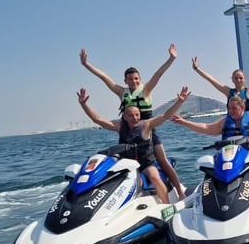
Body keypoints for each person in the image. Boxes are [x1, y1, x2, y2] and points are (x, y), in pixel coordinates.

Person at [79, 44, 185, 199]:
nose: (133, 81)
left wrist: (171, 59)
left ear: (140, 79)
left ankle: (180, 192)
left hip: (148, 129)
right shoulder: (122, 92)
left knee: (162, 160)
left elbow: (158, 74)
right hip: (128, 130)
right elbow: (104, 77)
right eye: (130, 79)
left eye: (136, 78)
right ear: (125, 80)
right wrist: (86, 64)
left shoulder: (146, 89)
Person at [77, 86, 191, 204]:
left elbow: (165, 116)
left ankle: (166, 205)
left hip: (146, 164)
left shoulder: (147, 125)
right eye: (131, 115)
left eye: (137, 114)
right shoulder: (120, 127)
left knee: (154, 178)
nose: (134, 118)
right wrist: (84, 104)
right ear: (125, 117)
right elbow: (98, 119)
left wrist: (180, 102)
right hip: (127, 165)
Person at [171, 96, 249, 195]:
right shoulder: (224, 121)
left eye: (234, 108)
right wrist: (184, 122)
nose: (231, 111)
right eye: (229, 108)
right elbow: (206, 128)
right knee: (211, 170)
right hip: (229, 156)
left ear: (242, 108)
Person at [191, 49, 249, 114]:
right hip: (234, 126)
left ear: (244, 79)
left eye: (240, 78)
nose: (238, 80)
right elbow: (211, 79)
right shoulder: (228, 91)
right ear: (232, 80)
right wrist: (196, 68)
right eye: (236, 78)